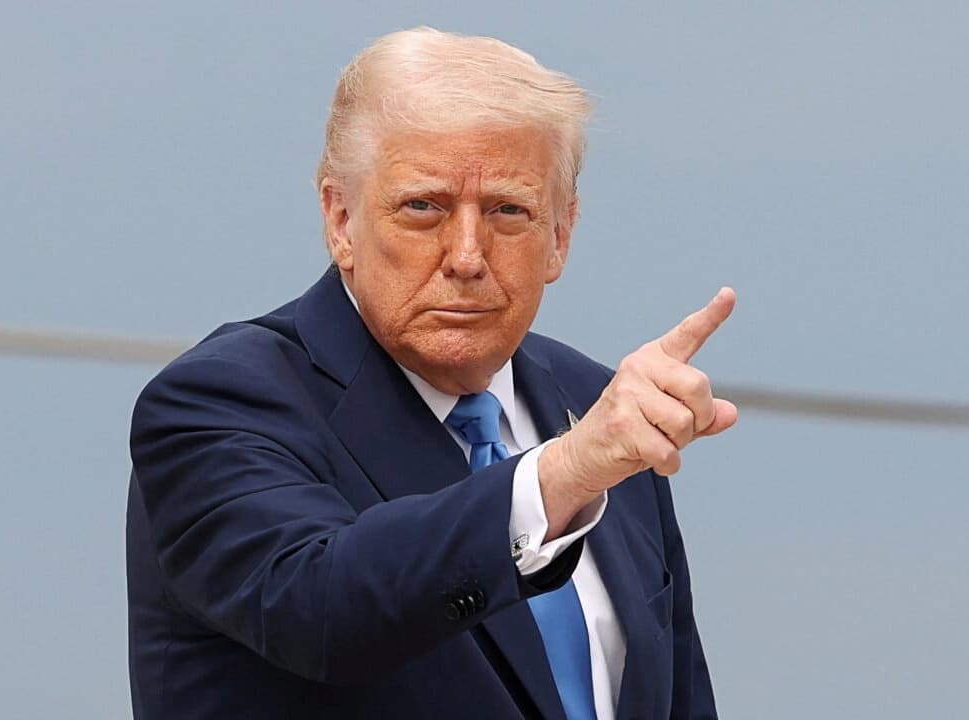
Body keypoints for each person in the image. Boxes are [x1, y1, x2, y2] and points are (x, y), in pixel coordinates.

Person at [127, 26, 735, 720]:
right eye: (424, 207)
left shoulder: (597, 408)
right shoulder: (219, 401)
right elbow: (321, 607)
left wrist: (583, 460)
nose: (467, 256)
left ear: (560, 236)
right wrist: (562, 475)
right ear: (342, 218)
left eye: (508, 210)